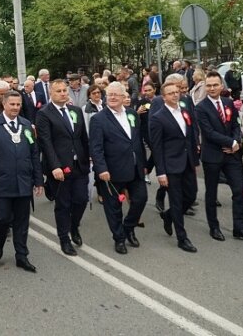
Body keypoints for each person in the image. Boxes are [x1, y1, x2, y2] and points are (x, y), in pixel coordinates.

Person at [0, 91, 43, 272]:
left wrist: (38, 180)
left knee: (22, 221)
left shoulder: (26, 126)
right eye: (12, 104)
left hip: (23, 180)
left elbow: (33, 154)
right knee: (2, 218)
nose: (15, 107)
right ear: (4, 104)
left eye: (18, 104)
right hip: (2, 182)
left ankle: (21, 255)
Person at [195, 72, 243, 243]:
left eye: (215, 85)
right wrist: (231, 142)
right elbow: (208, 133)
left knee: (239, 189)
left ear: (221, 86)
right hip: (212, 156)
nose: (212, 88)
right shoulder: (200, 108)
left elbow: (235, 125)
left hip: (231, 155)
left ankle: (240, 228)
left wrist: (237, 141)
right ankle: (214, 227)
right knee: (211, 193)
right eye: (208, 85)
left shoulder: (228, 102)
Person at [88, 82, 148, 254]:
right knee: (114, 208)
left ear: (124, 97)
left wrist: (143, 164)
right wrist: (101, 169)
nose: (112, 97)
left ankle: (128, 228)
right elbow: (96, 147)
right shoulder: (98, 119)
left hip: (135, 168)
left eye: (116, 94)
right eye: (110, 94)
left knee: (141, 199)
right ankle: (119, 238)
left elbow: (137, 141)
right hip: (112, 171)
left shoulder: (132, 114)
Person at [36, 79, 90, 256]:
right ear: (51, 93)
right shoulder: (44, 113)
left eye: (64, 91)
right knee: (63, 204)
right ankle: (64, 239)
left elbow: (82, 137)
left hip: (79, 164)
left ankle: (74, 227)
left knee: (81, 199)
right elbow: (46, 142)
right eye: (58, 91)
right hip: (60, 168)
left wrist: (88, 157)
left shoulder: (75, 111)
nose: (62, 94)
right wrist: (55, 166)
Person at [149, 81, 200, 253]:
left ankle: (168, 215)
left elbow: (190, 137)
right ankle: (182, 237)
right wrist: (161, 172)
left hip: (187, 162)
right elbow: (156, 147)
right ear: (163, 97)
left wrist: (194, 160)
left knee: (191, 195)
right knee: (176, 201)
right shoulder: (158, 117)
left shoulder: (185, 112)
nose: (175, 95)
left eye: (176, 92)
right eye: (170, 93)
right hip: (171, 165)